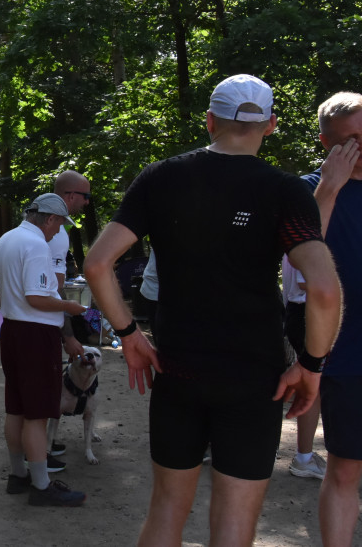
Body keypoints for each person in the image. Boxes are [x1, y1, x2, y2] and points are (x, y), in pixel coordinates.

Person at [83, 74, 342, 547]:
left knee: (165, 511)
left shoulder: (161, 177)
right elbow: (324, 290)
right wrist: (311, 366)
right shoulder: (285, 190)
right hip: (254, 378)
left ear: (210, 121)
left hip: (178, 369)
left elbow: (98, 263)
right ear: (270, 125)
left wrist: (128, 336)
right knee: (235, 525)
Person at [0, 193, 88, 507]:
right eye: (60, 223)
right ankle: (41, 485)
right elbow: (37, 298)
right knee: (36, 414)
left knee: (17, 407)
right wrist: (70, 306)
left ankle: (18, 475)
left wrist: (5, 305)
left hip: (12, 330)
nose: (58, 231)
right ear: (50, 218)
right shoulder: (36, 245)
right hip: (36, 335)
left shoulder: (7, 238)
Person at [306, 91, 362, 547]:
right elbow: (299, 257)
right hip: (348, 354)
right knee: (345, 467)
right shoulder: (310, 188)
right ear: (328, 144)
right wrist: (331, 185)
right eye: (353, 140)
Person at [279, 255, 326, 480]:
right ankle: (304, 458)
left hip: (307, 311)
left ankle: (305, 457)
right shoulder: (312, 227)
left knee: (314, 385)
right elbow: (306, 280)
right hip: (310, 311)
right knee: (313, 384)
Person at [51, 170, 93, 363]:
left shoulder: (34, 221)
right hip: (43, 323)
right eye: (86, 196)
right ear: (71, 196)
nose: (87, 202)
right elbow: (54, 289)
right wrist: (68, 336)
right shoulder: (55, 231)